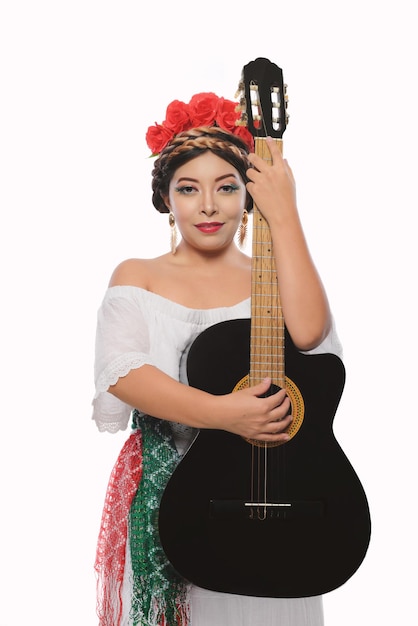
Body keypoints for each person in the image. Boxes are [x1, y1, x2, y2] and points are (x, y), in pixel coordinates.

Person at [92, 91, 343, 626]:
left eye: (227, 188)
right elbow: (122, 372)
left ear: (248, 198)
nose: (209, 205)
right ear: (166, 199)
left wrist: (286, 212)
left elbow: (309, 334)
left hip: (276, 495)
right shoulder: (138, 276)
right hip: (180, 502)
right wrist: (226, 414)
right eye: (189, 189)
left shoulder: (274, 280)